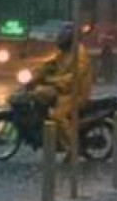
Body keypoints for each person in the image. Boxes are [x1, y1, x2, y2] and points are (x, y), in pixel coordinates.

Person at [32, 22, 91, 152]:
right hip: (63, 91)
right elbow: (51, 64)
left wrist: (54, 81)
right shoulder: (64, 53)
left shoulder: (80, 54)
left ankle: (73, 147)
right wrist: (36, 73)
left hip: (76, 94)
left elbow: (75, 76)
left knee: (57, 115)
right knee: (39, 95)